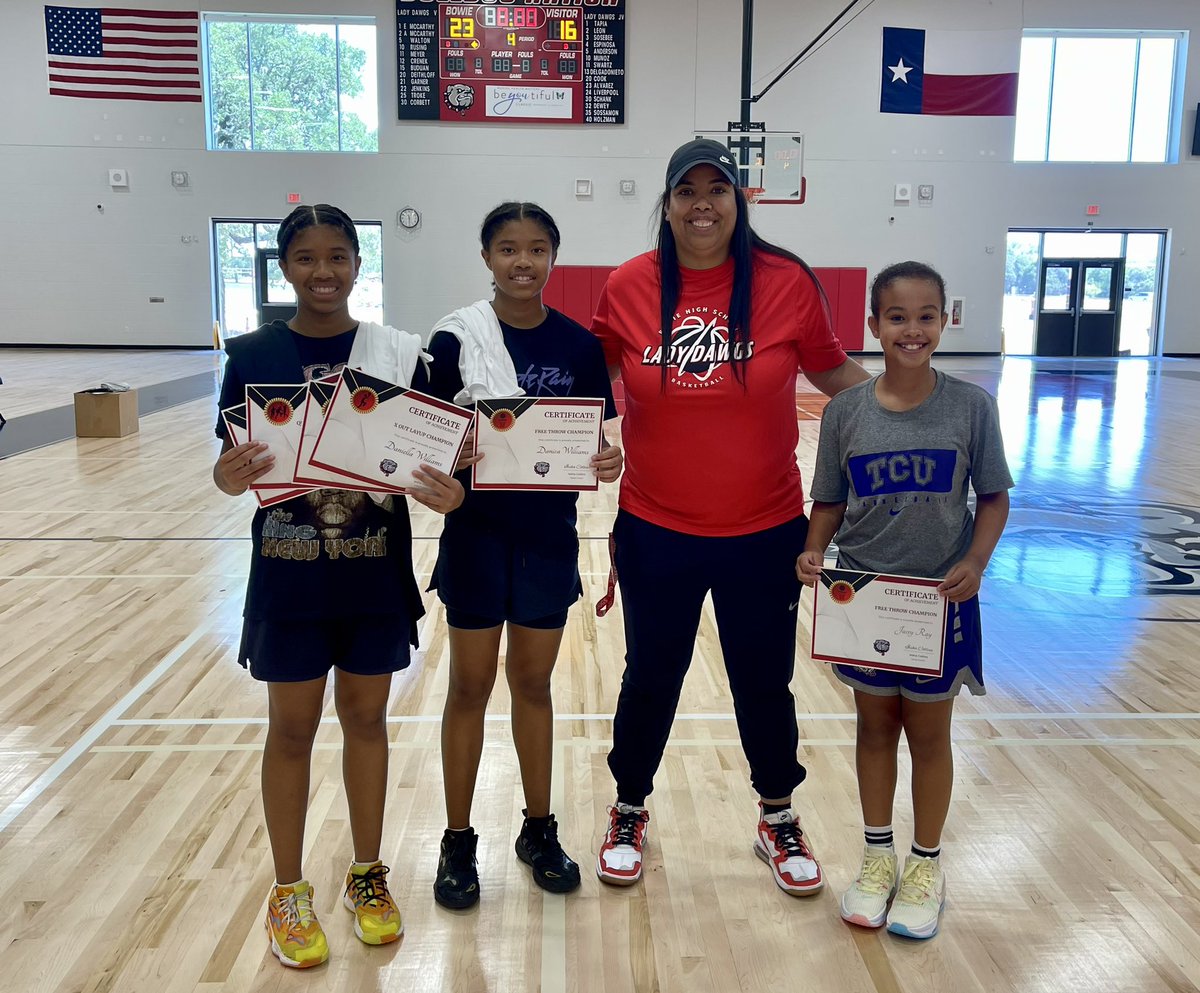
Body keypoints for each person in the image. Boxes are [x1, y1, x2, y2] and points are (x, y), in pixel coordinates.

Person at [589, 139, 870, 895]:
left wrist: (915, 413)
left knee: (762, 679)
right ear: (668, 201)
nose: (703, 203)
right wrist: (575, 444)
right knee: (650, 675)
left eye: (718, 188)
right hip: (656, 525)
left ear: (739, 199)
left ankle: (776, 813)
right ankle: (628, 806)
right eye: (687, 190)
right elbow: (589, 383)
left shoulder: (785, 283)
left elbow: (839, 375)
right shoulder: (628, 286)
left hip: (766, 527)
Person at [213, 203, 467, 968]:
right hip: (289, 578)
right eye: (306, 259)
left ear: (359, 264)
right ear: (285, 267)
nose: (323, 272)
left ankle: (367, 874)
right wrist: (226, 477)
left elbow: (436, 463)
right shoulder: (251, 353)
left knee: (366, 721)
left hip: (372, 574)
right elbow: (231, 471)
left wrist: (446, 493)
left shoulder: (397, 354)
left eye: (338, 257)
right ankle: (287, 890)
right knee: (290, 730)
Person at [415, 202, 623, 910]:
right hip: (474, 536)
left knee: (533, 687)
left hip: (545, 538)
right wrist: (450, 454)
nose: (523, 261)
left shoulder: (579, 345)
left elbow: (597, 442)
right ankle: (457, 838)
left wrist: (608, 458)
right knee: (468, 688)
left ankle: (538, 828)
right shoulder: (452, 343)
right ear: (486, 257)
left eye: (537, 249)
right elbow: (419, 445)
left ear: (553, 258)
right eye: (508, 248)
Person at [796, 260, 1013, 939]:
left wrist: (976, 560)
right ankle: (878, 855)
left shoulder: (971, 407)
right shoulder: (845, 412)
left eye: (926, 316)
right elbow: (829, 499)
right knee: (874, 727)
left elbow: (995, 497)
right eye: (897, 317)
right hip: (863, 597)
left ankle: (926, 863)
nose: (911, 329)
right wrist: (812, 548)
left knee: (929, 733)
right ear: (873, 326)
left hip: (938, 602)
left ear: (945, 321)